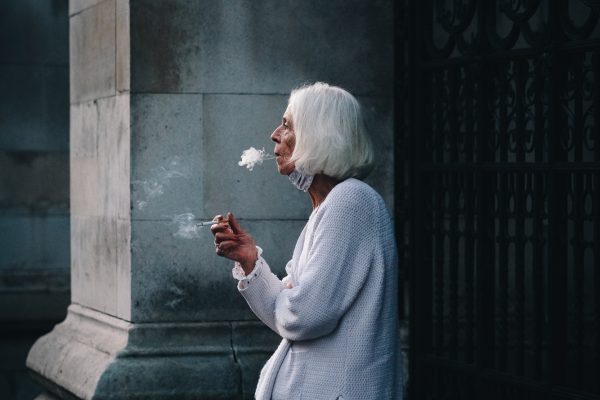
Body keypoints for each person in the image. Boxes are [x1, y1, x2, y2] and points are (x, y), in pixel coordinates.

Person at [211, 82, 402, 399]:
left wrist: (292, 296)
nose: (275, 134)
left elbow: (302, 317)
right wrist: (248, 260)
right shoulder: (333, 206)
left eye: (286, 125)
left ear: (317, 134)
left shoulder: (349, 203)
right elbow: (289, 314)